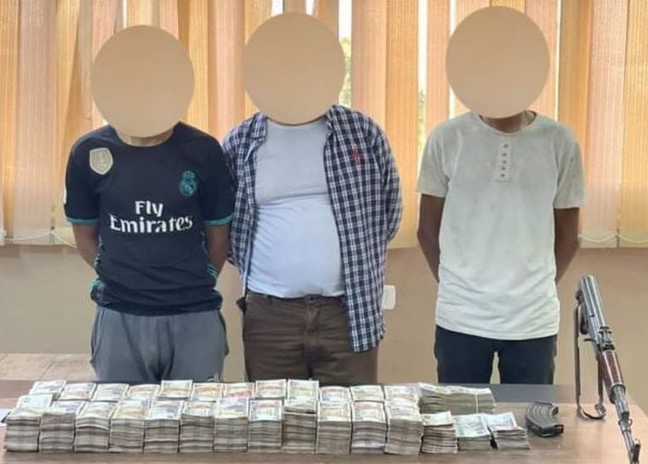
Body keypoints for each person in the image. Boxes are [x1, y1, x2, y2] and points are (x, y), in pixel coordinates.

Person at [64, 26, 233, 383]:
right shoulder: (88, 152)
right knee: (120, 417)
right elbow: (84, 233)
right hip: (119, 313)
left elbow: (219, 234)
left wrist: (203, 276)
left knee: (199, 418)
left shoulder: (203, 150)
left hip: (194, 313)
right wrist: (110, 271)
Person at [223, 104, 402, 386]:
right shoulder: (241, 140)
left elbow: (389, 214)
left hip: (348, 311)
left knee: (351, 411)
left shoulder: (362, 132)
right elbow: (225, 224)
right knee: (272, 411)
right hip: (270, 316)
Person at [417, 110, 585, 384]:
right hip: (461, 316)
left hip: (532, 319)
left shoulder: (560, 140)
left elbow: (569, 236)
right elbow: (426, 230)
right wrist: (456, 284)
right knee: (460, 411)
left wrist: (536, 285)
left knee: (530, 411)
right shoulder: (447, 137)